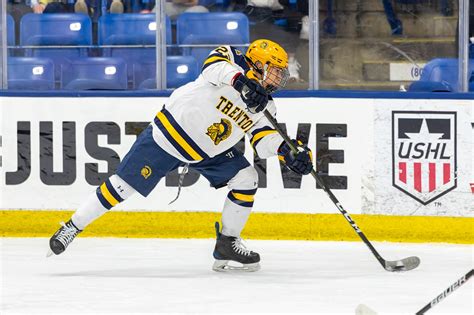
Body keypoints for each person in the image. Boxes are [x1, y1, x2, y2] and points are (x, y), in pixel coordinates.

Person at [47, 39, 314, 272]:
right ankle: (72, 226)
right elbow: (212, 67)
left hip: (209, 152)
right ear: (257, 64)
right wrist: (241, 82)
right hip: (170, 136)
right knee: (121, 186)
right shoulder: (231, 58)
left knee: (246, 178)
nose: (278, 79)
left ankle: (227, 244)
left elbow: (263, 138)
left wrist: (287, 152)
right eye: (275, 72)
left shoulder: (265, 105)